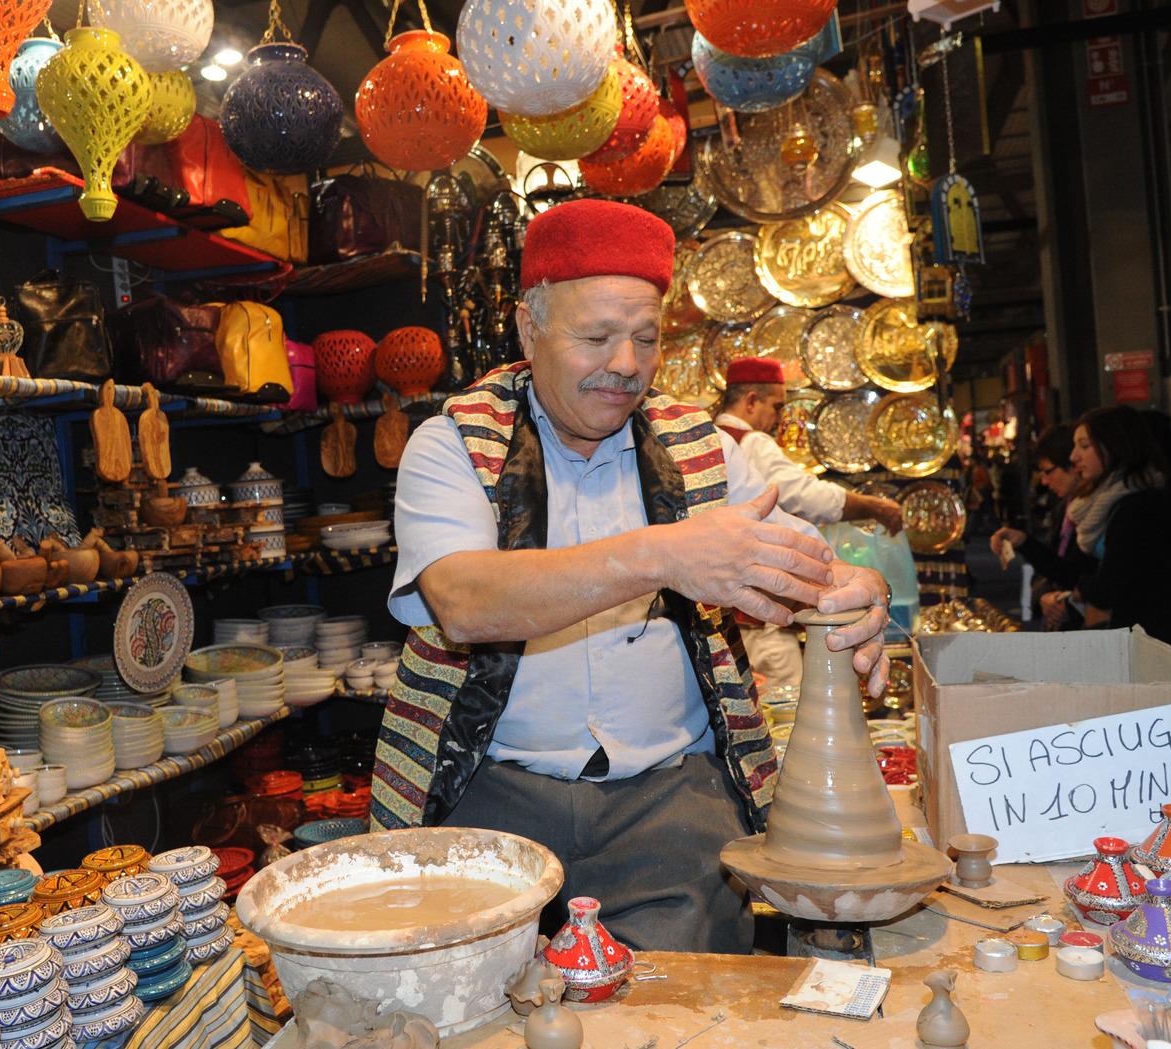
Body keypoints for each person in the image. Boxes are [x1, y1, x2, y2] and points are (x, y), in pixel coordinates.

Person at [370, 199, 890, 955]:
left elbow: (806, 561)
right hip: (488, 792)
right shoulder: (454, 442)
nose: (625, 364)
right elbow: (464, 601)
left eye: (645, 338)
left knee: (688, 1012)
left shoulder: (700, 445)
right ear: (527, 329)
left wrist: (852, 591)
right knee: (478, 1009)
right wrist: (664, 554)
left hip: (670, 800)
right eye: (596, 336)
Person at [715, 357, 903, 683]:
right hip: (765, 616)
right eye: (776, 407)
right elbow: (804, 496)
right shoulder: (749, 441)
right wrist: (872, 506)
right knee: (785, 699)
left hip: (727, 615)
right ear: (751, 401)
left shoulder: (707, 441)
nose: (777, 420)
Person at [1059, 405, 1171, 641]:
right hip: (1129, 633)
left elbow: (1112, 584)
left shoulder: (1140, 505)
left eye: (1085, 446)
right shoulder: (1107, 502)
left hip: (1140, 639)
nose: (1074, 456)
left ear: (1114, 446)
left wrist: (1081, 591)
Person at [989, 425, 1097, 630]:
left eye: (1048, 471)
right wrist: (1023, 541)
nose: (1045, 481)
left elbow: (1077, 575)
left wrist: (1067, 598)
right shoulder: (1067, 509)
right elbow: (1061, 569)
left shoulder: (1099, 511)